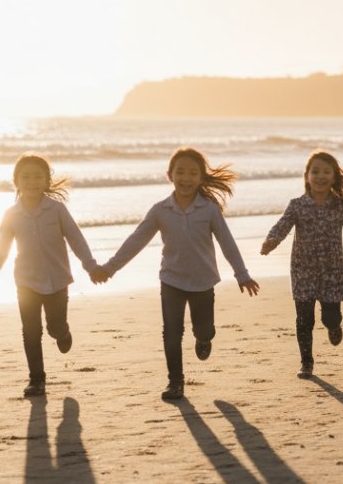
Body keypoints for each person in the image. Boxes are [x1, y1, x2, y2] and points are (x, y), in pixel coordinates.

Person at [95, 148, 259, 400]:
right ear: (169, 175)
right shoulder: (161, 210)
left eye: (193, 173)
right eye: (180, 171)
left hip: (203, 281)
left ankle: (203, 339)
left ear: (202, 178)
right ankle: (175, 382)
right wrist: (110, 267)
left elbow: (227, 243)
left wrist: (242, 274)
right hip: (171, 280)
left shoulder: (209, 209)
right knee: (171, 331)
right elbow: (136, 240)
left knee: (204, 330)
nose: (186, 177)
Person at [0, 154, 103, 397]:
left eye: (37, 177)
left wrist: (90, 265)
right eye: (26, 177)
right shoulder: (11, 214)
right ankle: (37, 380)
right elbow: (1, 248)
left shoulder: (56, 210)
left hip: (57, 281)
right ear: (16, 182)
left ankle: (63, 333)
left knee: (54, 327)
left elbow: (76, 239)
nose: (32, 182)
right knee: (30, 331)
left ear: (46, 181)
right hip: (26, 282)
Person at [260, 151, 343, 379]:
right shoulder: (297, 205)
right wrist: (272, 241)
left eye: (326, 172)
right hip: (302, 271)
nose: (320, 176)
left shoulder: (340, 207)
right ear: (306, 176)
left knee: (330, 317)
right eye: (315, 171)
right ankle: (306, 362)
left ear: (334, 177)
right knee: (304, 319)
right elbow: (282, 225)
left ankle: (334, 326)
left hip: (332, 272)